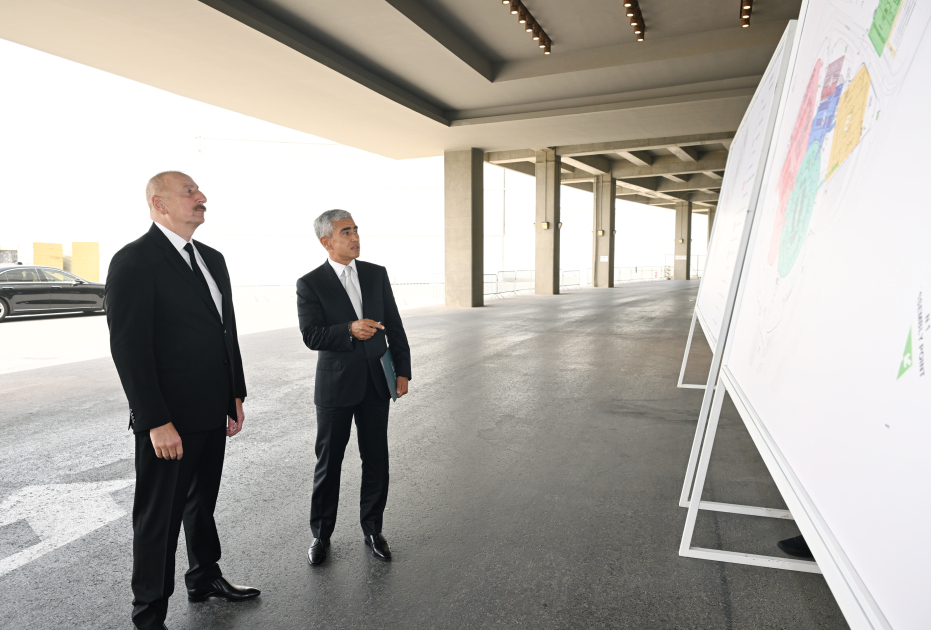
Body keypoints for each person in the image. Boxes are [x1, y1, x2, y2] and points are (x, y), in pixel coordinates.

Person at [106, 171, 259, 630]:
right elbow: (129, 348)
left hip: (213, 409)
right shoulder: (134, 261)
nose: (202, 198)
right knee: (159, 518)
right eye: (189, 192)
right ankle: (148, 614)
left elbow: (223, 330)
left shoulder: (212, 258)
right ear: (160, 204)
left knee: (201, 505)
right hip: (169, 420)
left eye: (199, 191)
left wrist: (235, 391)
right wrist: (155, 421)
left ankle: (204, 578)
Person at [297, 209, 412, 565]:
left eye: (356, 230)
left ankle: (373, 530)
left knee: (376, 459)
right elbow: (311, 335)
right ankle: (321, 536)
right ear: (326, 241)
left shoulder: (376, 275)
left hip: (378, 383)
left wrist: (403, 371)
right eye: (346, 232)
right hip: (335, 387)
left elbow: (393, 323)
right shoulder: (310, 283)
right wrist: (348, 329)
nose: (355, 237)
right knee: (328, 463)